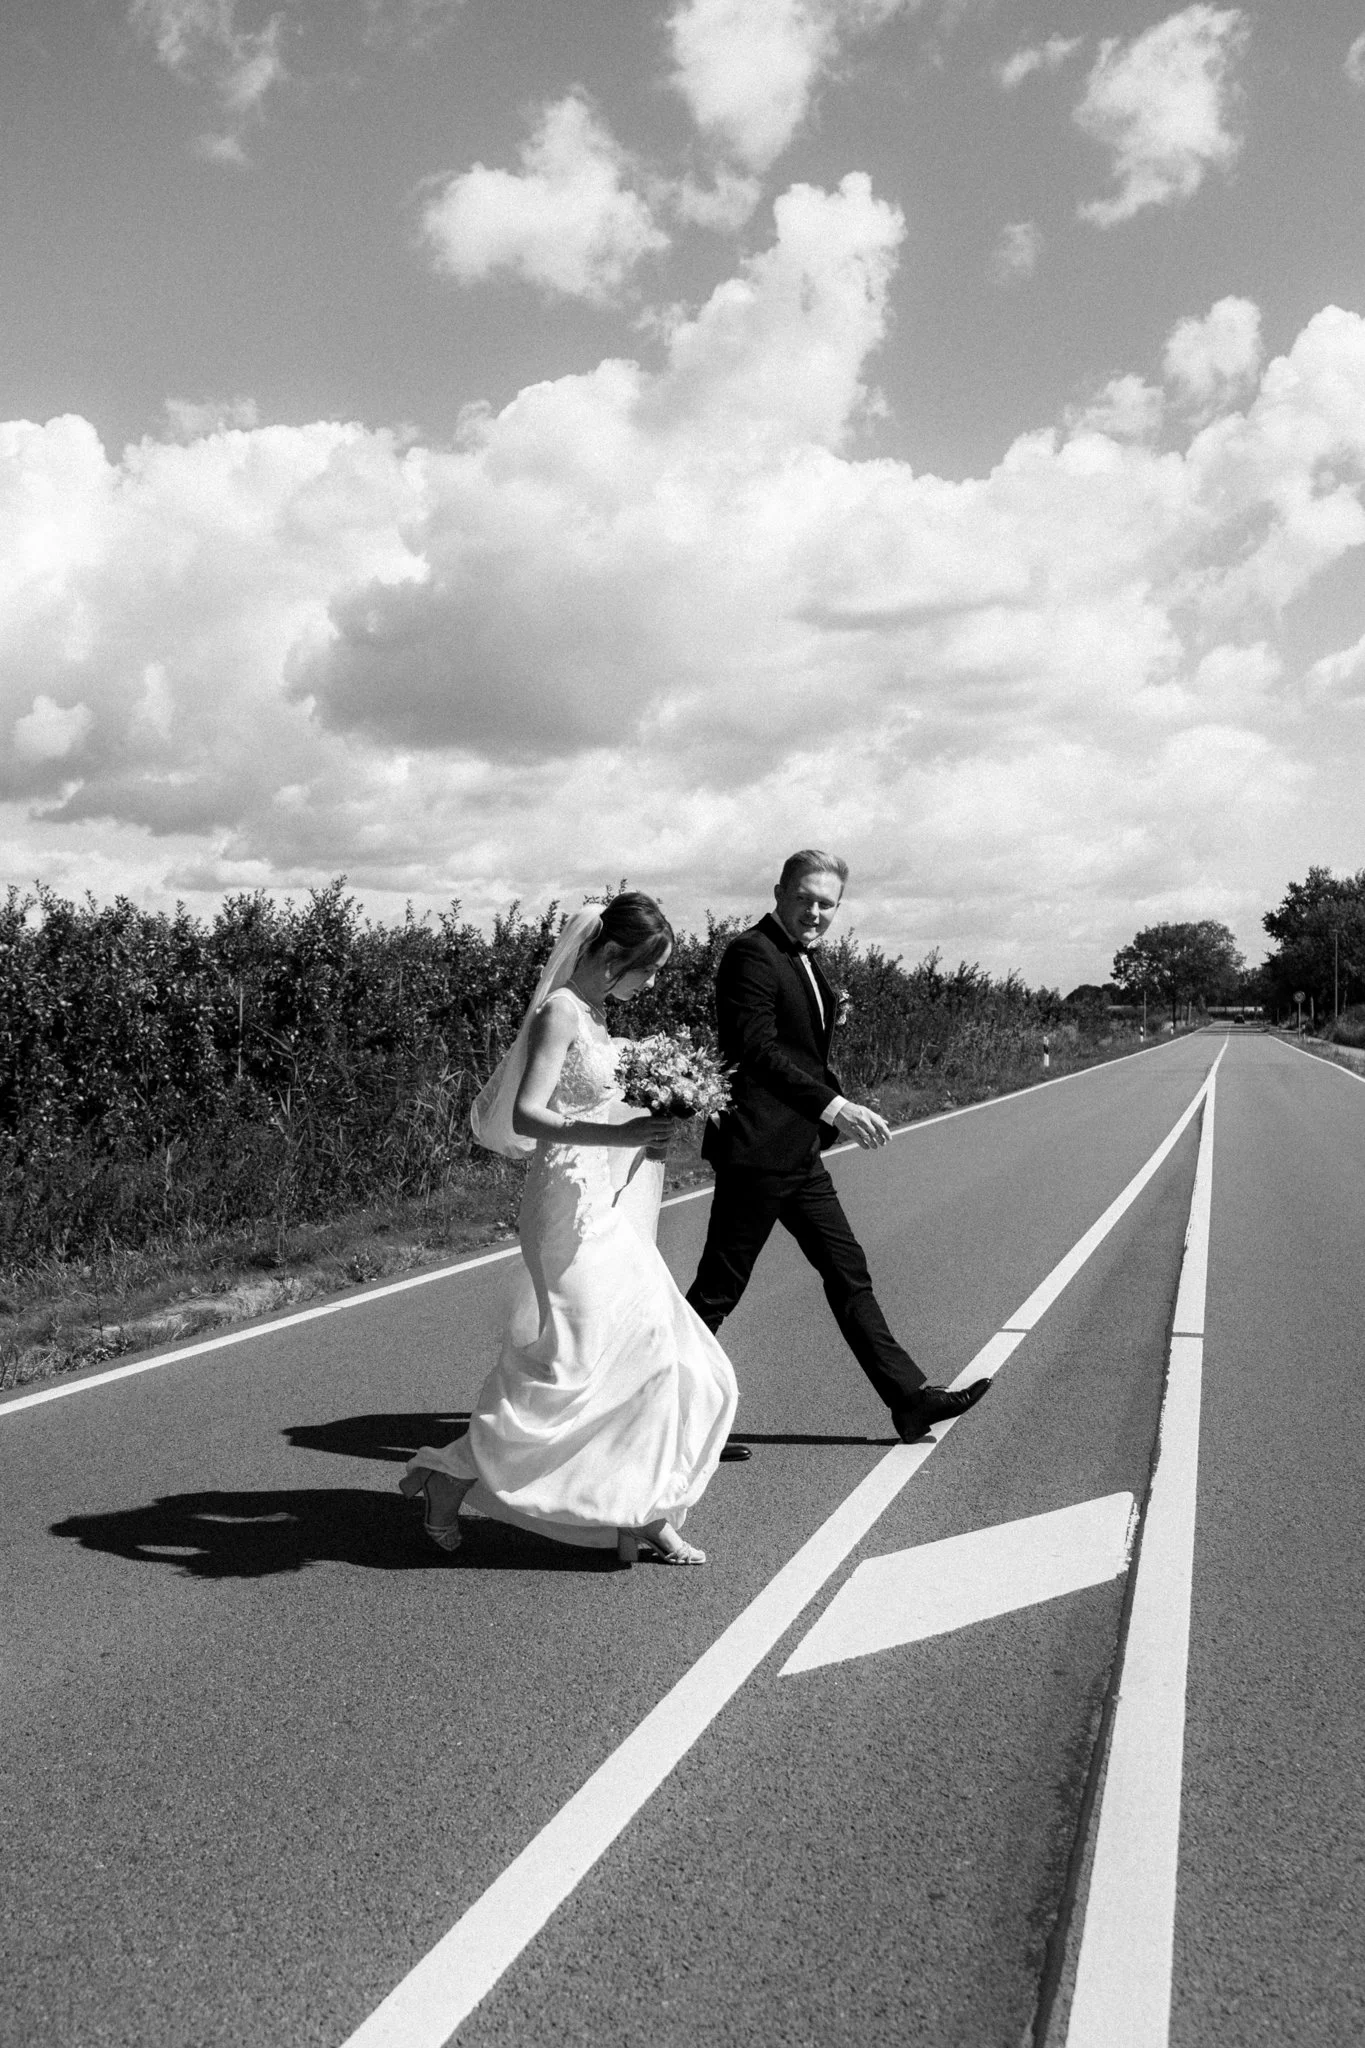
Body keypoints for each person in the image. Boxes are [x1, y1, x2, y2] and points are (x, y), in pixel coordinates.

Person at [401, 894, 738, 1566]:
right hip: (563, 1204)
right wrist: (615, 1128)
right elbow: (528, 1115)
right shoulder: (559, 1012)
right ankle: (451, 1473)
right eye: (649, 969)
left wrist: (658, 1115)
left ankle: (645, 1508)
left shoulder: (599, 1013)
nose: (652, 983)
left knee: (657, 1349)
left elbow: (601, 1097)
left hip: (607, 1201)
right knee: (572, 1363)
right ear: (613, 957)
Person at [686, 849, 989, 1444]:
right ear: (779, 892)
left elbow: (803, 1051)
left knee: (847, 1270)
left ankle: (909, 1400)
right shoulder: (752, 953)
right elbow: (757, 1051)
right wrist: (836, 1106)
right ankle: (657, 1420)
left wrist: (823, 1113)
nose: (816, 912)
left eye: (828, 903)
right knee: (717, 1292)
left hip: (798, 1153)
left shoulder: (804, 959)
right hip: (756, 1150)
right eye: (805, 898)